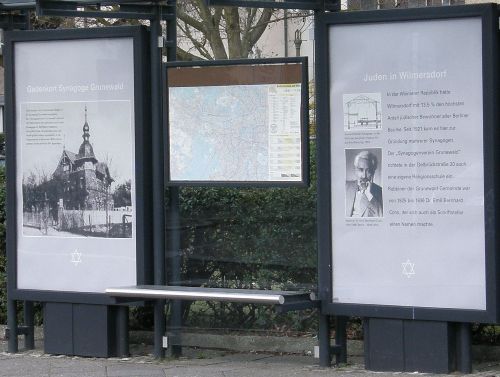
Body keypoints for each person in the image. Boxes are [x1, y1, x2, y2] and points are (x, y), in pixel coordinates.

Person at [345, 150, 383, 217]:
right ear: (355, 170)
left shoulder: (380, 192)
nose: (364, 175)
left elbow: (381, 217)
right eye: (361, 170)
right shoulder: (345, 186)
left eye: (368, 171)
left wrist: (369, 195)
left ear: (373, 173)